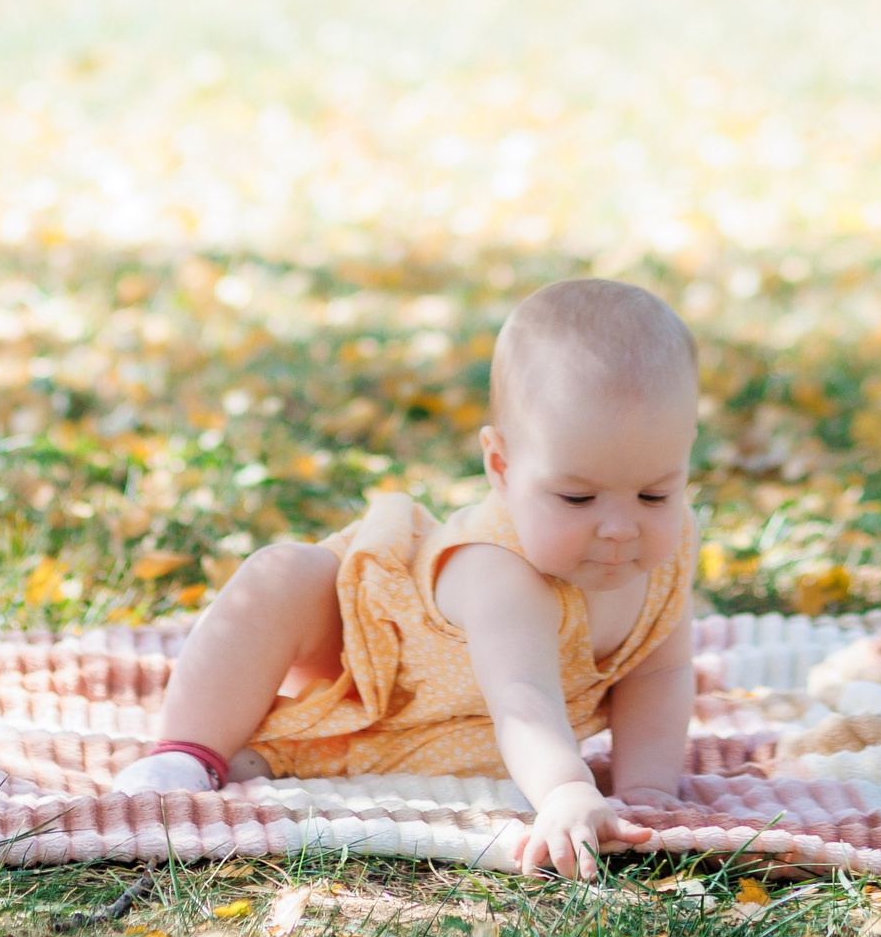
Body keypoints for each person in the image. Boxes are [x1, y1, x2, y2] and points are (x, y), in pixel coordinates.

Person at [114, 277, 699, 879]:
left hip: (455, 726)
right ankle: (188, 750)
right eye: (577, 498)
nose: (621, 528)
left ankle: (279, 759)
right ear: (501, 466)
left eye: (655, 493)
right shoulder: (503, 571)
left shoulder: (670, 548)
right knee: (281, 577)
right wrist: (565, 789)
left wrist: (647, 786)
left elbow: (660, 668)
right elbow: (524, 701)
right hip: (366, 651)